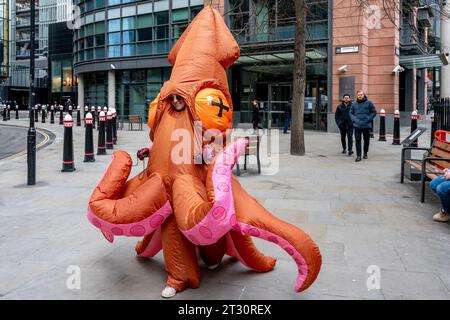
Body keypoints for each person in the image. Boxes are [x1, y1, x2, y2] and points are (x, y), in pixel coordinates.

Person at [350, 90, 377, 162]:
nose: (360, 96)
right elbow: (351, 113)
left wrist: (368, 119)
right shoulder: (354, 104)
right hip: (357, 125)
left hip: (366, 125)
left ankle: (365, 153)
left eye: (361, 94)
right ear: (357, 96)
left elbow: (374, 112)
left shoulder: (369, 103)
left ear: (364, 95)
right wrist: (355, 120)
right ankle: (358, 156)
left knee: (366, 140)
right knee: (358, 140)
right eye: (358, 95)